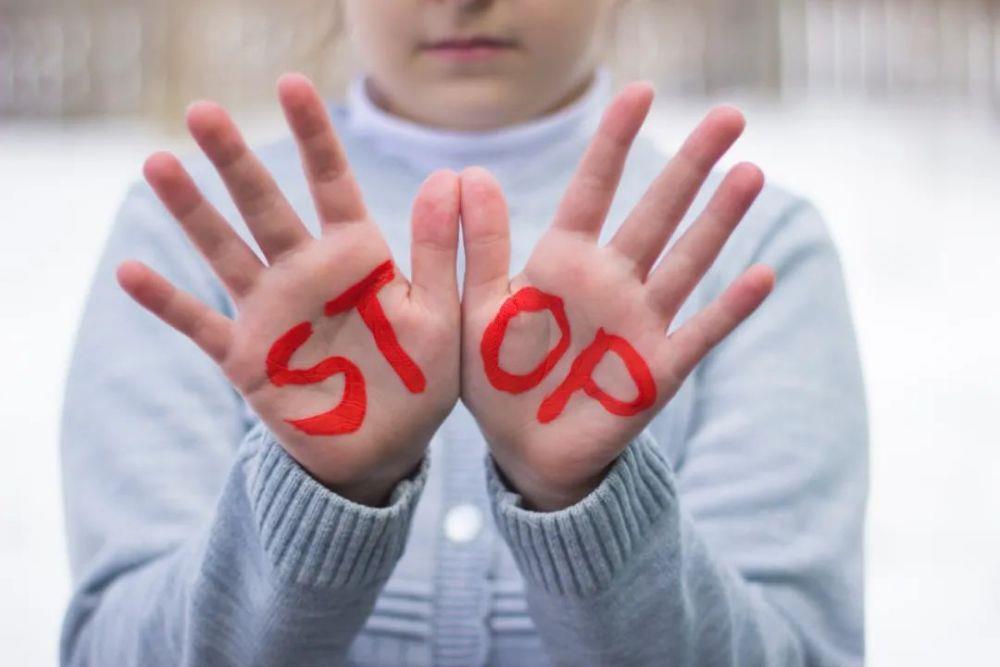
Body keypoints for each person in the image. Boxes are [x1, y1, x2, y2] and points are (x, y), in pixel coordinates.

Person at [58, 1, 869, 665]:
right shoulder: (196, 240)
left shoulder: (751, 248)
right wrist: (323, 493)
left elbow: (799, 651)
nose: (465, 0)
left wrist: (582, 502)